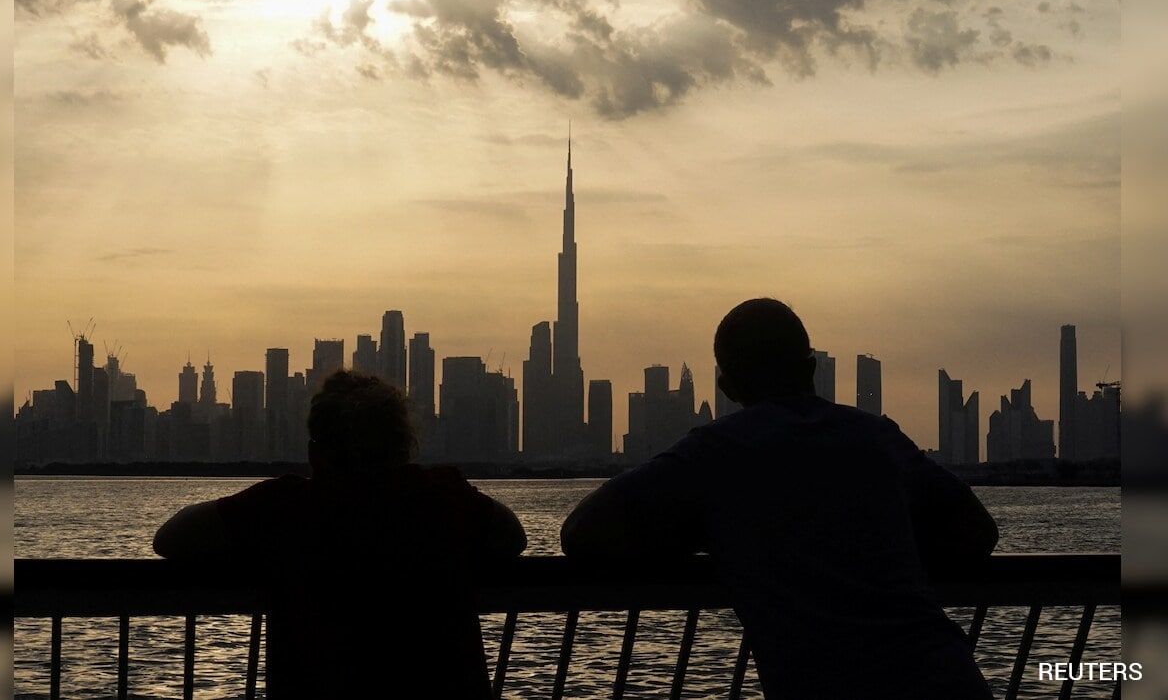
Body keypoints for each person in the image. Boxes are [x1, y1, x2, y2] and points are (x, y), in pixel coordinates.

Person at [561, 298, 998, 700]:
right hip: (949, 678)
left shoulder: (714, 454)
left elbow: (581, 534)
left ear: (726, 386)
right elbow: (977, 533)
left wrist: (711, 532)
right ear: (811, 369)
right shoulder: (877, 437)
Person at [154, 370, 526, 699]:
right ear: (403, 445)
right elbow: (513, 538)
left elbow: (170, 539)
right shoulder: (444, 494)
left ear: (317, 451)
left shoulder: (285, 505)